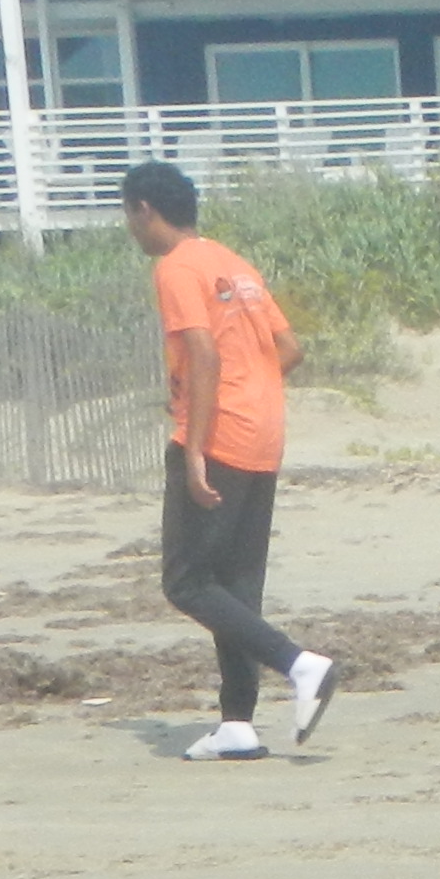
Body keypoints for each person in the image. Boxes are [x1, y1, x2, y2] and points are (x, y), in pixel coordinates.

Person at [121, 162, 335, 759]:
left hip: (218, 435)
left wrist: (193, 444)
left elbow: (204, 353)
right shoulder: (232, 263)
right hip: (263, 430)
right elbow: (287, 349)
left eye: (129, 217)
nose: (131, 230)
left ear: (144, 210)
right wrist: (245, 389)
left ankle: (299, 665)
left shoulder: (176, 268)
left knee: (186, 581)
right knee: (237, 584)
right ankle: (237, 723)